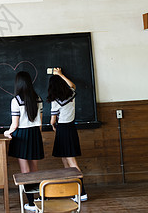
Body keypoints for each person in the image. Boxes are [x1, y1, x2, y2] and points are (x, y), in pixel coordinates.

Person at [4, 71, 44, 212]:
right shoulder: (38, 98)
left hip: (22, 136)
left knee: (25, 170)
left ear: (18, 83)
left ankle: (31, 203)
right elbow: (39, 123)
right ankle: (39, 198)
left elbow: (14, 125)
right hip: (35, 134)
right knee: (34, 169)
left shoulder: (16, 100)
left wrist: (7, 133)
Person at [47, 68, 88, 202]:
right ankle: (73, 190)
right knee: (65, 160)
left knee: (71, 162)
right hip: (70, 128)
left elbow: (52, 121)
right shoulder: (70, 94)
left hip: (62, 130)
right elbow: (72, 85)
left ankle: (82, 193)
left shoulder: (55, 101)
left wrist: (53, 125)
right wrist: (61, 74)